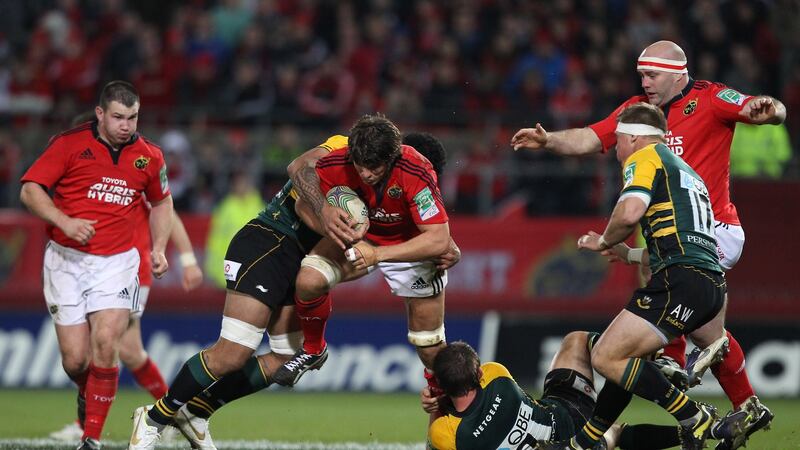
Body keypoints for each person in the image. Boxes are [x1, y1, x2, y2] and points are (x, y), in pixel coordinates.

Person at [511, 40, 783, 448]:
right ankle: (745, 405)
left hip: (713, 227)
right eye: (641, 75)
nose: (645, 82)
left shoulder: (708, 100)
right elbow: (589, 137)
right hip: (684, 242)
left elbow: (762, 109)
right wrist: (548, 140)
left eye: (652, 75)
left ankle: (673, 365)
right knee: (703, 332)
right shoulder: (636, 111)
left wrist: (770, 109)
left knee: (649, 301)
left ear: (678, 74)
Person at [128, 129, 455, 450]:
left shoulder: (392, 187)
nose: (369, 173)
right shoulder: (343, 151)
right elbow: (300, 180)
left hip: (299, 258)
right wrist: (329, 217)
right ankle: (155, 417)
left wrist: (445, 247)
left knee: (287, 356)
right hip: (270, 242)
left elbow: (409, 230)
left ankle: (198, 412)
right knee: (232, 353)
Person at [538, 103, 751, 450]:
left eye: (619, 140)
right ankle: (583, 443)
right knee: (625, 357)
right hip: (708, 281)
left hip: (678, 281)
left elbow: (629, 212)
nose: (616, 149)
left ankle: (695, 418)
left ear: (635, 137)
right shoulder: (687, 172)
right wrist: (630, 255)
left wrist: (605, 241)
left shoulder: (645, 157)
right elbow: (685, 239)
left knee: (605, 356)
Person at [20, 81, 174, 450]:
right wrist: (64, 221)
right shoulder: (68, 144)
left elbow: (162, 202)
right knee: (76, 361)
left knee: (107, 342)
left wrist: (160, 248)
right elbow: (29, 190)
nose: (126, 125)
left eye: (132, 117)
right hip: (66, 261)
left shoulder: (149, 156)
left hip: (117, 263)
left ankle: (91, 437)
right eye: (119, 117)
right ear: (100, 113)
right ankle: (86, 393)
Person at [271, 115, 457, 395]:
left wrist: (378, 254)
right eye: (360, 166)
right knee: (309, 280)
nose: (366, 174)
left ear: (392, 157)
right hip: (363, 239)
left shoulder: (415, 168)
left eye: (374, 167)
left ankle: (446, 401)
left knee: (429, 348)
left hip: (410, 245)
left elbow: (438, 238)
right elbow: (300, 195)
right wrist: (325, 215)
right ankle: (313, 349)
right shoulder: (339, 162)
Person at [424, 337, 748, 450]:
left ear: (444, 386)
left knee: (614, 434)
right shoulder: (496, 375)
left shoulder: (447, 433)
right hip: (567, 412)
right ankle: (650, 359)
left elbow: (438, 438)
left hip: (568, 443)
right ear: (478, 373)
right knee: (579, 341)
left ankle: (689, 432)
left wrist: (437, 405)